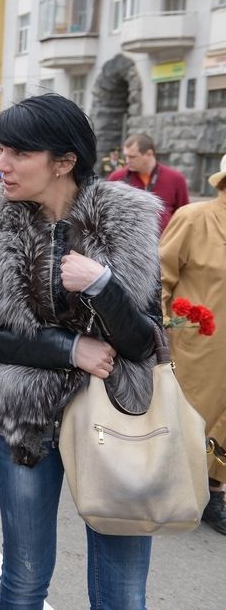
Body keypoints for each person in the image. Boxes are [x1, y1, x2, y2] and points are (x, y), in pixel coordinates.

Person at [0, 93, 161, 608]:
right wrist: (68, 349)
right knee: (24, 579)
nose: (0, 165)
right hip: (22, 419)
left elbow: (145, 341)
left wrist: (103, 287)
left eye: (18, 153)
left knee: (121, 592)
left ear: (65, 161)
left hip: (119, 417)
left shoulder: (127, 219)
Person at [159, 153, 226, 535]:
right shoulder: (194, 219)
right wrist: (165, 329)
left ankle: (214, 492)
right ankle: (168, 486)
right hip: (196, 346)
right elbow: (160, 277)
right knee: (188, 417)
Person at [109, 133, 189, 233]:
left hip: (165, 244)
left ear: (149, 154)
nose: (127, 161)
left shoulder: (176, 178)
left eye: (132, 157)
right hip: (128, 245)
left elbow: (184, 215)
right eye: (126, 156)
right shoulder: (116, 178)